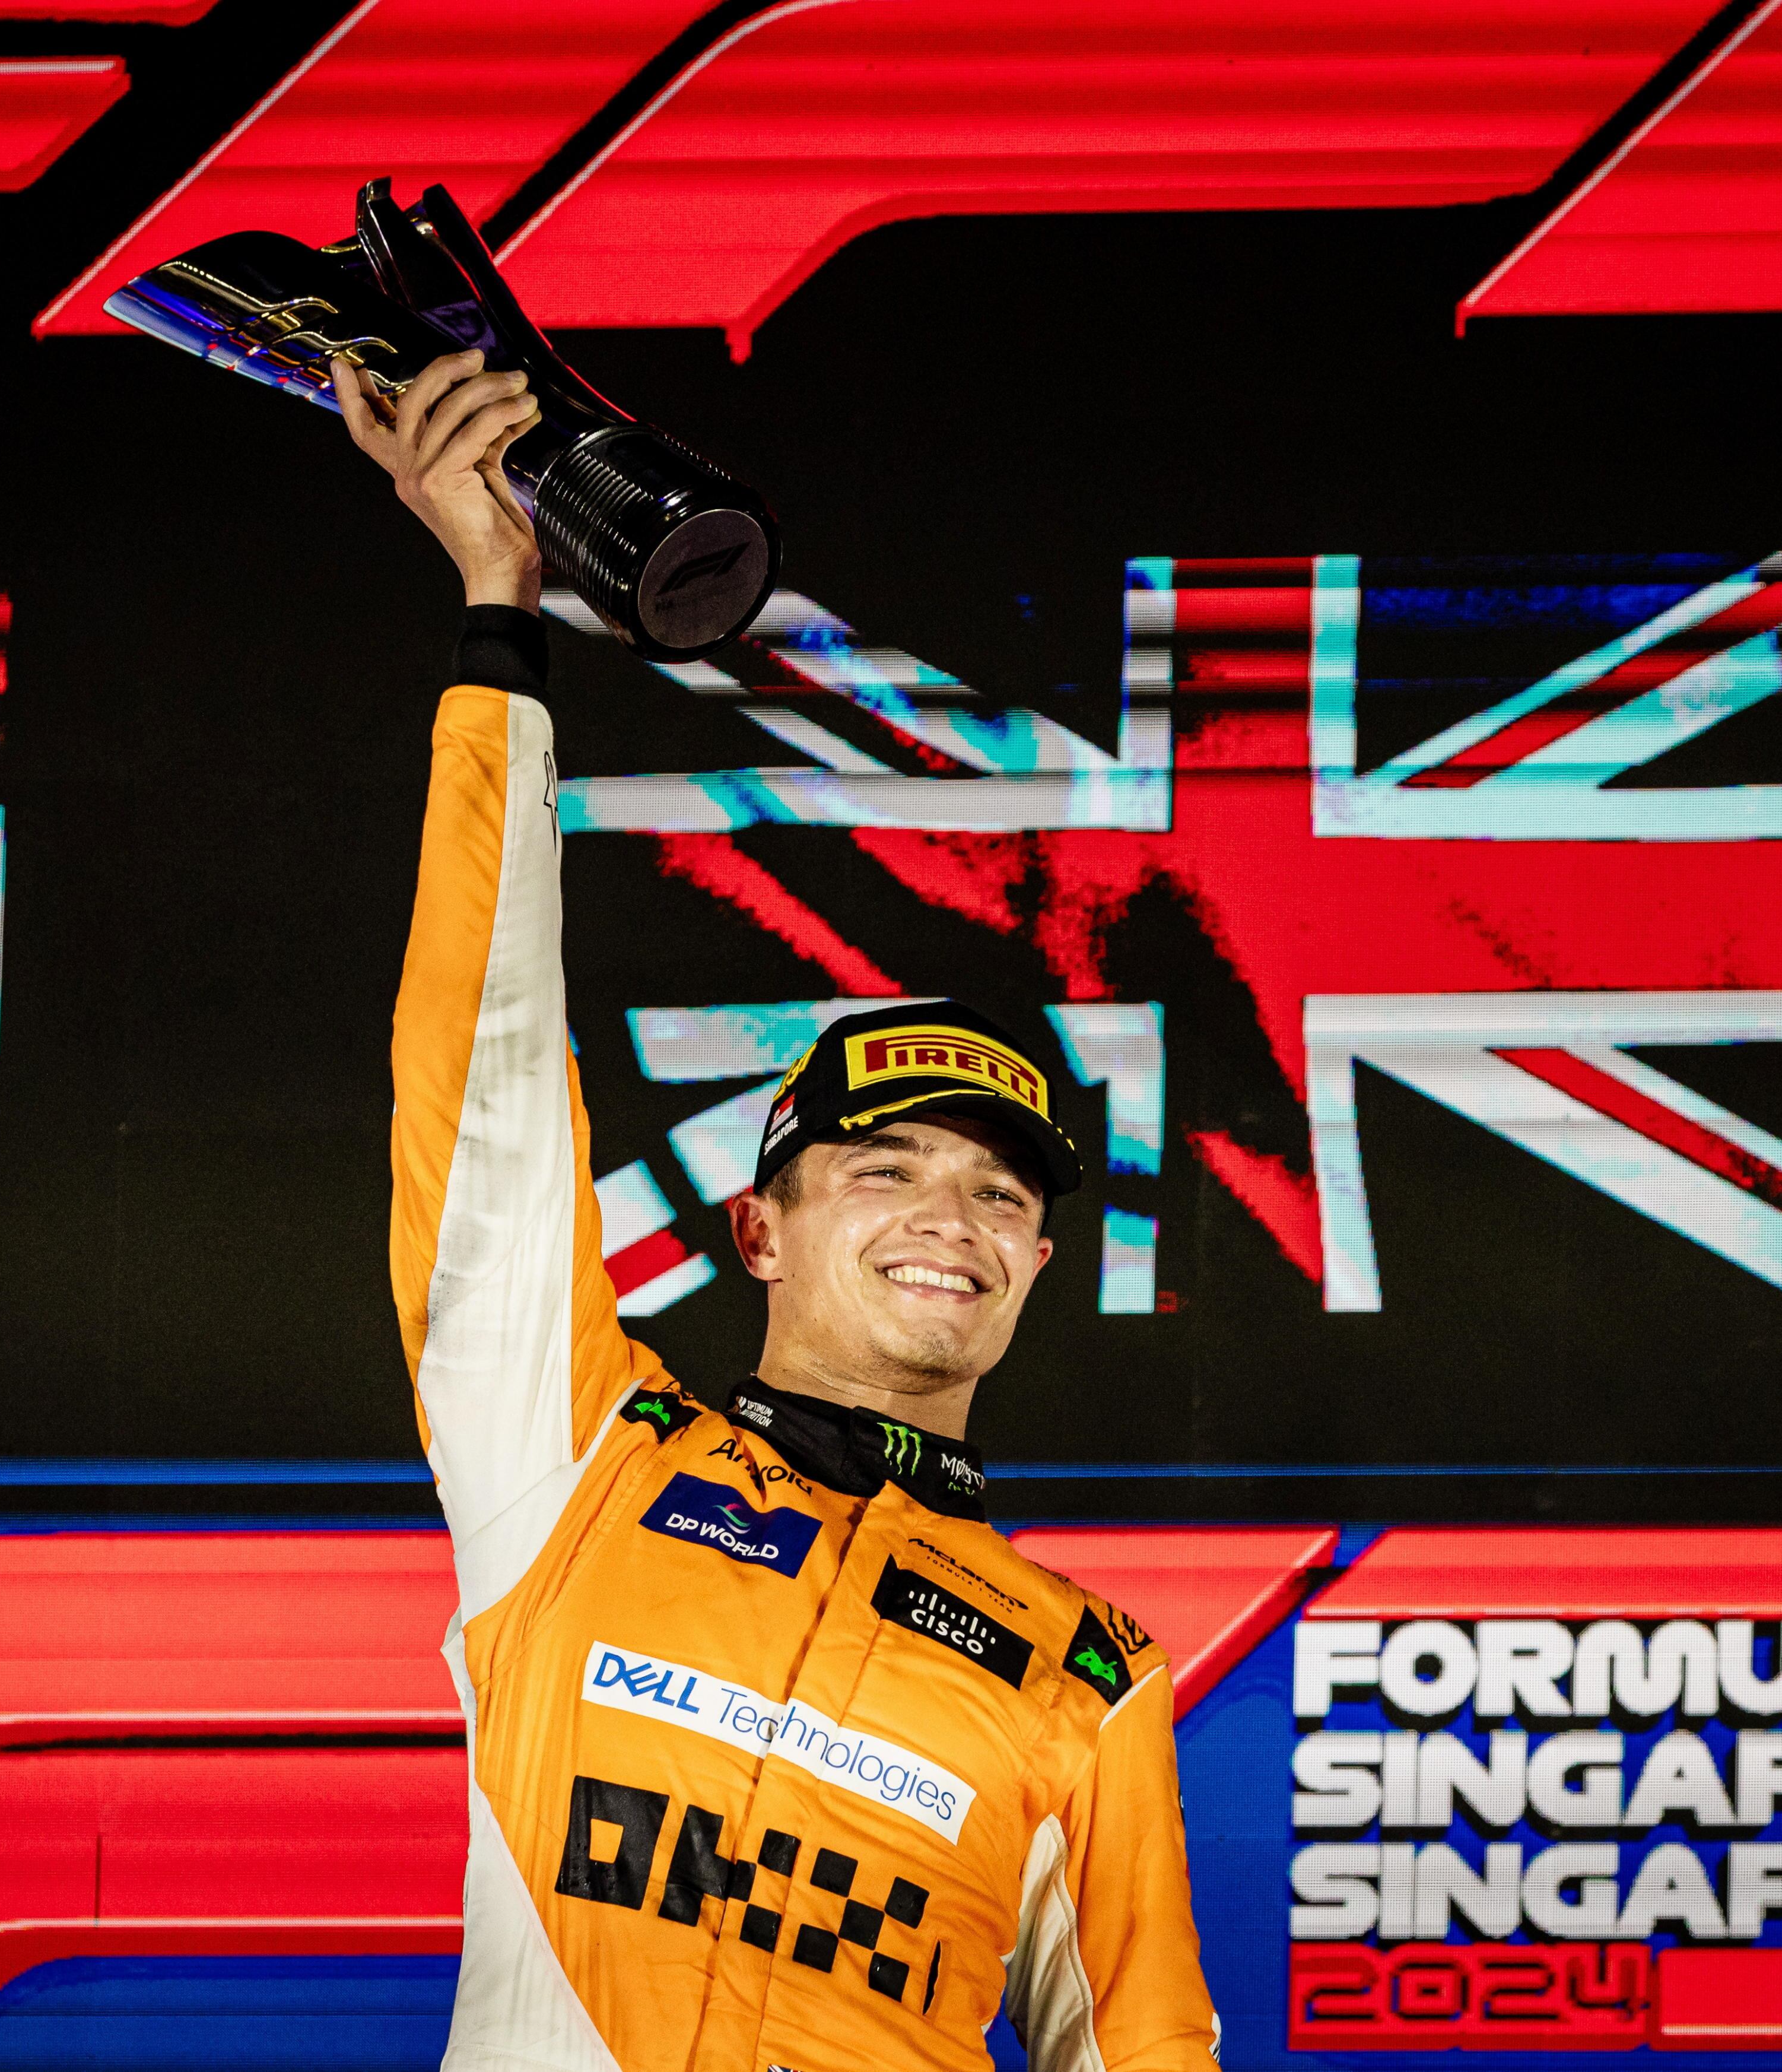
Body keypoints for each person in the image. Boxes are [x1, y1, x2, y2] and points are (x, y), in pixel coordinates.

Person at [338, 348, 1218, 2072]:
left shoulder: (1088, 1681)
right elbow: (491, 1081)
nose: (943, 1214)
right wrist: (498, 619)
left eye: (993, 1189)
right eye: (882, 1169)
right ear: (760, 1230)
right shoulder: (577, 1458)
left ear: (1038, 1266)